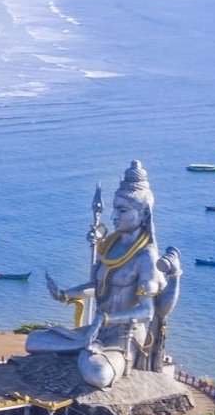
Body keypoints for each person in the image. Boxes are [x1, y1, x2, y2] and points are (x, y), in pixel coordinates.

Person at [25, 160, 181, 390]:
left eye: (122, 210)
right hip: (96, 331)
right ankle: (83, 347)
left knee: (97, 374)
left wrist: (104, 319)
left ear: (144, 213)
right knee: (33, 341)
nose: (114, 216)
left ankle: (85, 351)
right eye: (114, 209)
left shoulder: (146, 256)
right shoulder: (110, 245)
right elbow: (98, 286)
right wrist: (65, 294)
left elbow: (147, 312)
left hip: (123, 338)